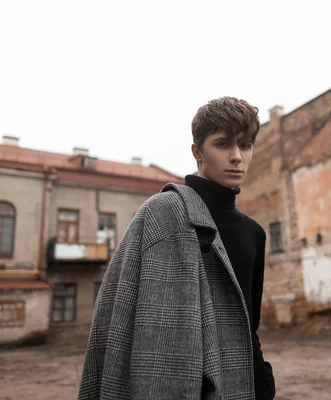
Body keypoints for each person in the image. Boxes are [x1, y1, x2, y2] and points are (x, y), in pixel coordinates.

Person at [78, 97, 275, 399]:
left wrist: (264, 379)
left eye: (245, 145)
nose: (236, 157)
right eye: (222, 144)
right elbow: (116, 314)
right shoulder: (161, 213)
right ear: (198, 151)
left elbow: (249, 324)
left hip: (243, 384)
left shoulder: (253, 233)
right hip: (169, 383)